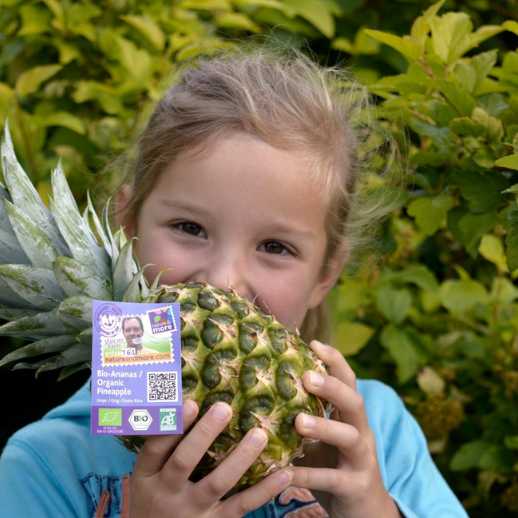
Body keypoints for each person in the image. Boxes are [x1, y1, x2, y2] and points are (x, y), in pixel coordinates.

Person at [0, 44, 469, 518]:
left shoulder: (376, 434)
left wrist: (370, 507)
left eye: (275, 247)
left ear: (325, 273)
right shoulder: (45, 465)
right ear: (128, 228)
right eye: (189, 228)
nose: (224, 281)